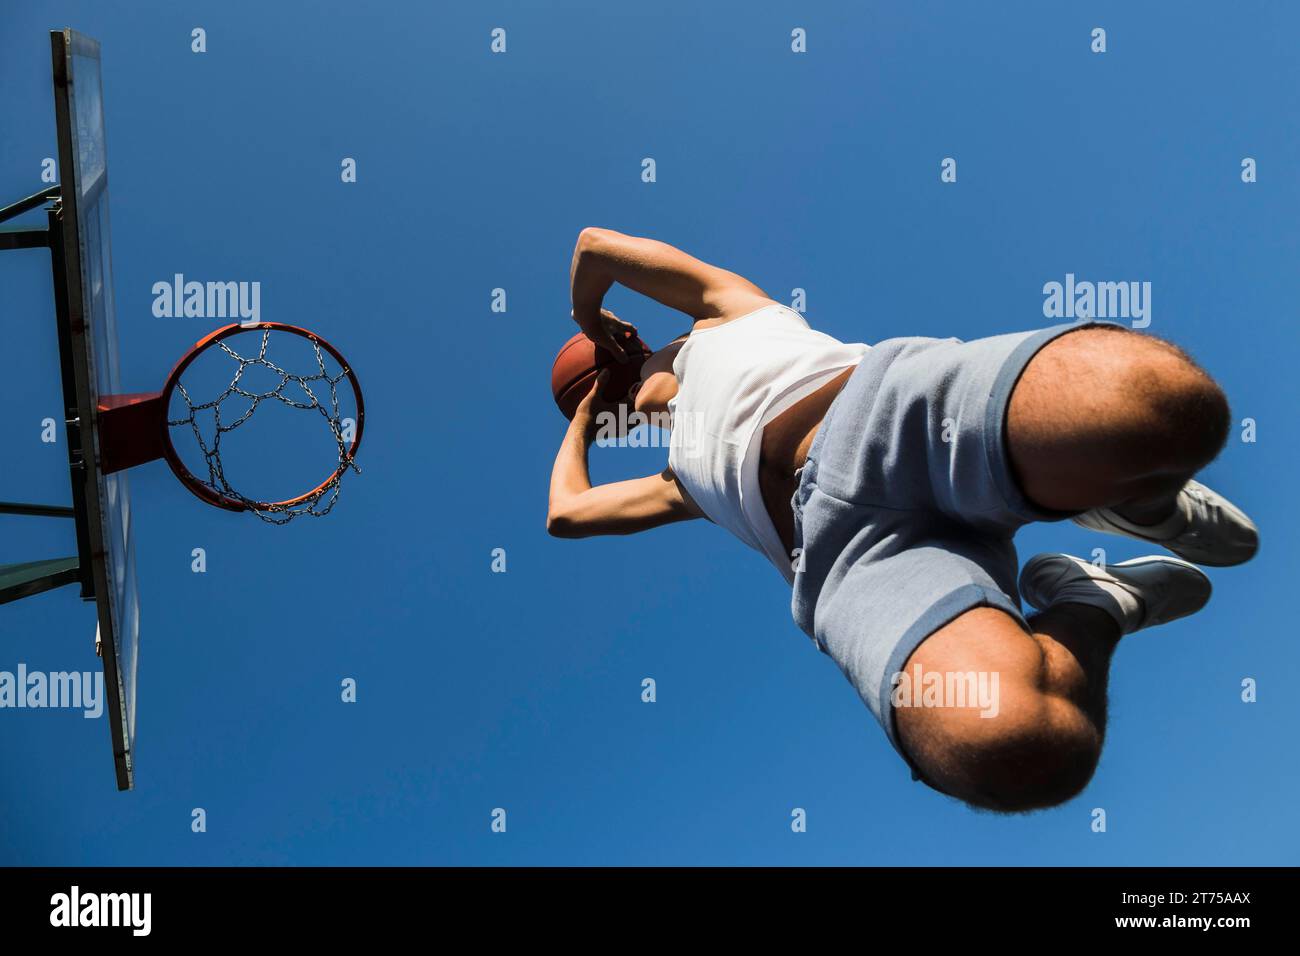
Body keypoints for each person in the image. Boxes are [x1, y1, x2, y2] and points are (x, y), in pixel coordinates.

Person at [548, 227, 1258, 812]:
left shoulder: (727, 308)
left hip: (885, 416)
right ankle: (1098, 601)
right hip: (847, 559)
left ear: (634, 343)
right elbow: (567, 514)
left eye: (627, 367)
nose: (628, 385)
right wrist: (582, 421)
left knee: (1166, 406)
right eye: (612, 392)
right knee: (1019, 750)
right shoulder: (681, 483)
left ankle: (1125, 493)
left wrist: (591, 323)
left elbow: (594, 248)